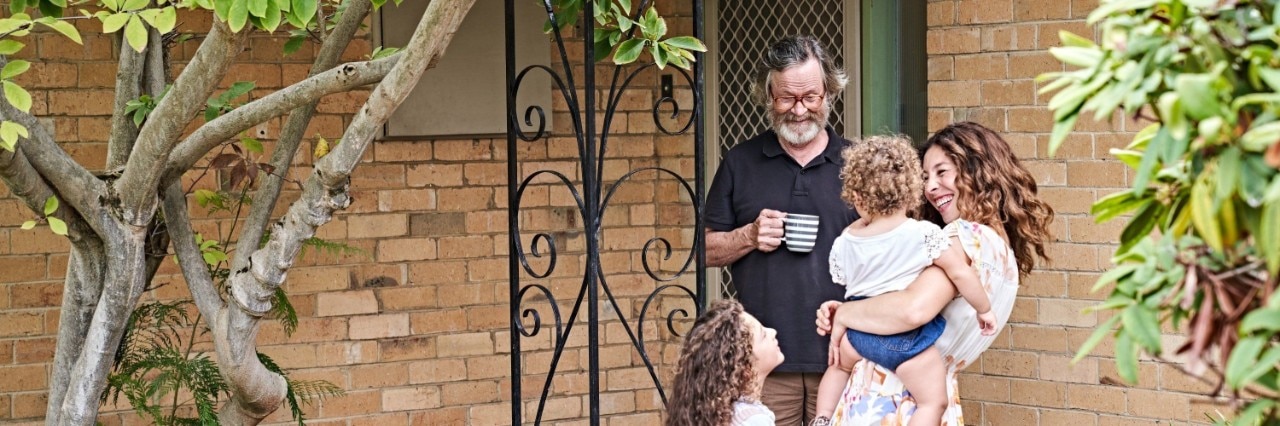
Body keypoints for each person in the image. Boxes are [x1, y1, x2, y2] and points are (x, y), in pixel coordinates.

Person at [814, 121, 1053, 425]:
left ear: (978, 171)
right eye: (925, 177)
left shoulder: (961, 238)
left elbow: (912, 309)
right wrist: (854, 311)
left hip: (890, 402)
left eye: (942, 172)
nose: (929, 188)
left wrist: (848, 313)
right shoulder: (1003, 256)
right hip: (934, 400)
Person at [705, 34, 859, 425]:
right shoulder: (740, 162)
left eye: (811, 97)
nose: (800, 110)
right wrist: (749, 236)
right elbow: (702, 251)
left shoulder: (857, 165)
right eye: (786, 98)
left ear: (829, 92)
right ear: (767, 94)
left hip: (845, 357)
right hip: (765, 366)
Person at [667, 299, 785, 426]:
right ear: (745, 368)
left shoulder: (721, 413)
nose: (772, 331)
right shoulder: (753, 421)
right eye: (763, 335)